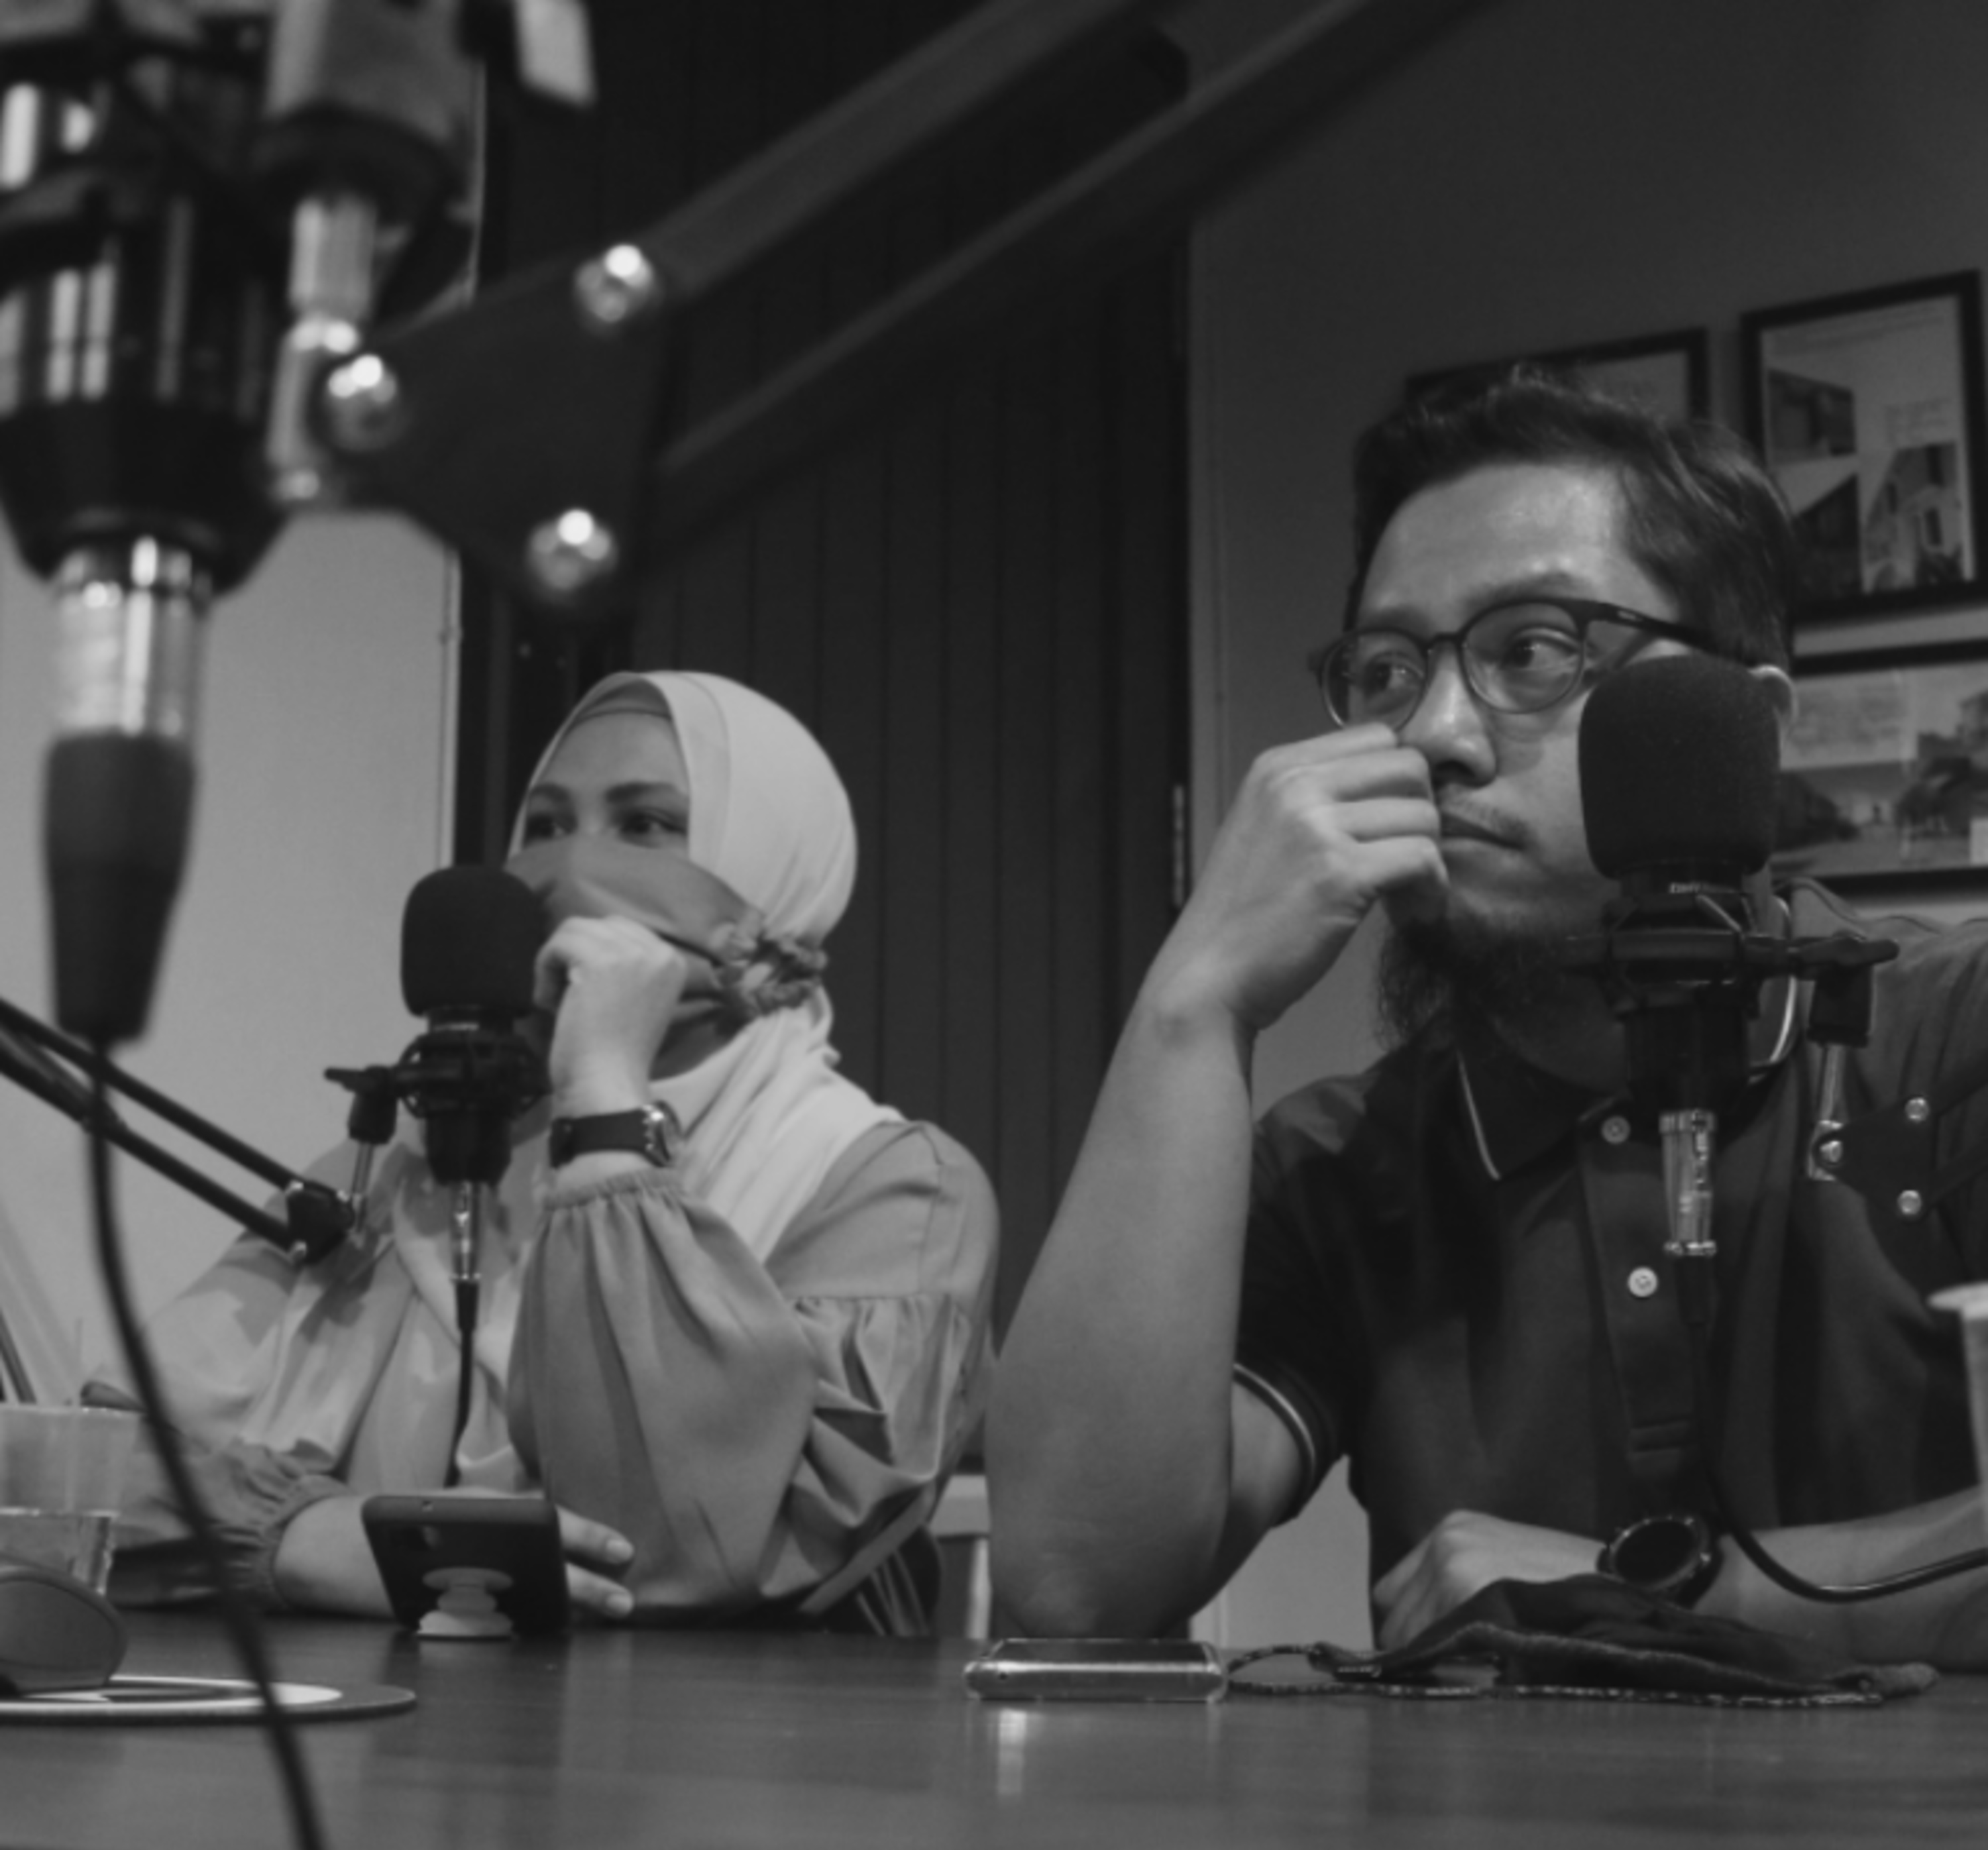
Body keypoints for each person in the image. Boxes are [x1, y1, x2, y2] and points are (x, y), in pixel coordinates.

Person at [987, 365, 1988, 1666]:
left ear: (1744, 729)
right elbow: (1075, 1589)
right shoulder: (1345, 1168)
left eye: (1534, 650)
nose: (1437, 734)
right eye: (1389, 670)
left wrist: (1661, 1593)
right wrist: (1193, 1004)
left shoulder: (1952, 1036)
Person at [101, 670, 998, 1634]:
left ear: (778, 875)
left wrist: (606, 1105)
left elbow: (684, 1548)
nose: (572, 865)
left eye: (645, 825)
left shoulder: (894, 1190)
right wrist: (307, 1538)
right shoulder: (401, 1173)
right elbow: (77, 1478)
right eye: (546, 825)